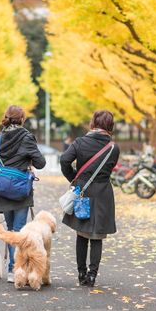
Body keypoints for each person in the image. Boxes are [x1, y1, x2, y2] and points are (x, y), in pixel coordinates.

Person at [0, 105, 46, 283]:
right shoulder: (27, 138)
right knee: (19, 230)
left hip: (1, 189)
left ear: (6, 118)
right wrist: (27, 159)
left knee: (11, 230)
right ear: (22, 119)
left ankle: (13, 269)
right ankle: (17, 268)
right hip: (20, 190)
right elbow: (40, 163)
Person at [60, 110, 120, 287]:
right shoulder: (113, 148)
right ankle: (92, 275)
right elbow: (109, 168)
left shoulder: (80, 142)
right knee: (97, 236)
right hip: (103, 194)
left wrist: (74, 178)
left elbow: (64, 160)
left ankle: (81, 274)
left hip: (82, 191)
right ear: (110, 126)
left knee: (81, 232)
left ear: (93, 123)